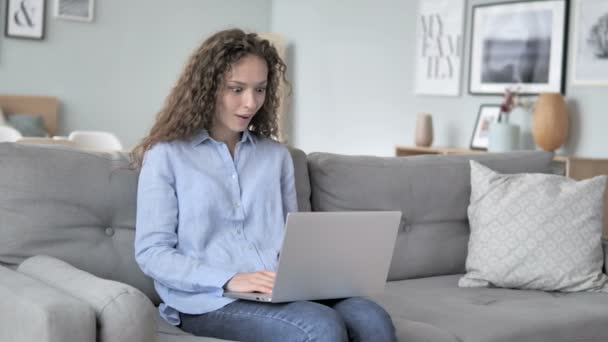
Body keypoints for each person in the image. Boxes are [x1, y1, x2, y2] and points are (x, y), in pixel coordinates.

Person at [132, 28, 397, 342]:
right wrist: (231, 278)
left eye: (260, 89)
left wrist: (316, 273)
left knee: (372, 318)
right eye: (236, 89)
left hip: (276, 288)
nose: (250, 103)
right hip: (208, 299)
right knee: (320, 326)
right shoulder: (166, 156)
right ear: (207, 88)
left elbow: (290, 240)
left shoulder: (276, 157)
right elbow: (152, 253)